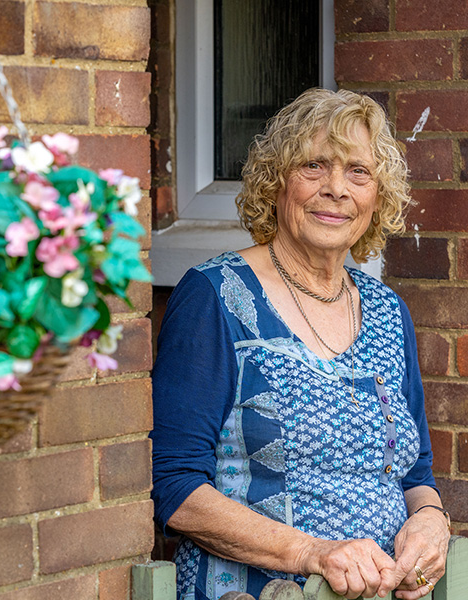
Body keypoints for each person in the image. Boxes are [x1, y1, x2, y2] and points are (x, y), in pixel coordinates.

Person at [150, 88, 451, 600]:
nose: (336, 189)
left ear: (377, 195)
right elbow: (174, 486)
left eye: (358, 172)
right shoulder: (216, 296)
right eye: (314, 166)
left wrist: (430, 518)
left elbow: (415, 471)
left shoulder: (387, 311)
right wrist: (312, 552)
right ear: (277, 182)